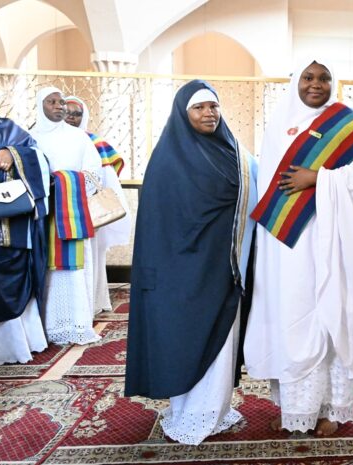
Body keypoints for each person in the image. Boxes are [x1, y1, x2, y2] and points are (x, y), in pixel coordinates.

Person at [244, 59, 353, 436]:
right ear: (296, 81)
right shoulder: (277, 125)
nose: (316, 84)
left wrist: (317, 178)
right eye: (308, 77)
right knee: (289, 314)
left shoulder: (348, 126)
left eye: (324, 78)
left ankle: (329, 412)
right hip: (285, 246)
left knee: (325, 314)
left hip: (329, 237)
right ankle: (295, 408)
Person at [125, 80, 257, 445]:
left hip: (225, 268)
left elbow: (260, 190)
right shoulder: (168, 159)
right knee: (186, 337)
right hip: (182, 272)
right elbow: (158, 224)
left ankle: (213, 411)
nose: (209, 114)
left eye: (213, 107)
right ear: (183, 113)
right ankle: (190, 412)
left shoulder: (234, 152)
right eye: (199, 108)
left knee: (221, 340)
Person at [30, 87, 103, 345]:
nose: (59, 106)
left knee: (73, 273)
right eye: (52, 102)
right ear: (41, 106)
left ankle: (76, 323)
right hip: (41, 215)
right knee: (43, 269)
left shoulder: (79, 137)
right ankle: (44, 327)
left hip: (71, 213)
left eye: (61, 102)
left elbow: (95, 173)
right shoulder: (30, 137)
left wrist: (63, 182)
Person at [63, 95, 131, 314]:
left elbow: (107, 180)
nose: (71, 118)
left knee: (90, 257)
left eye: (77, 114)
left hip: (88, 210)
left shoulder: (94, 142)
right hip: (58, 210)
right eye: (68, 112)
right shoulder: (50, 139)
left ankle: (90, 305)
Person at [0, 108, 50, 365]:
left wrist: (13, 154)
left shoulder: (8, 129)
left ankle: (11, 347)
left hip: (4, 225)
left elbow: (40, 158)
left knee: (7, 274)